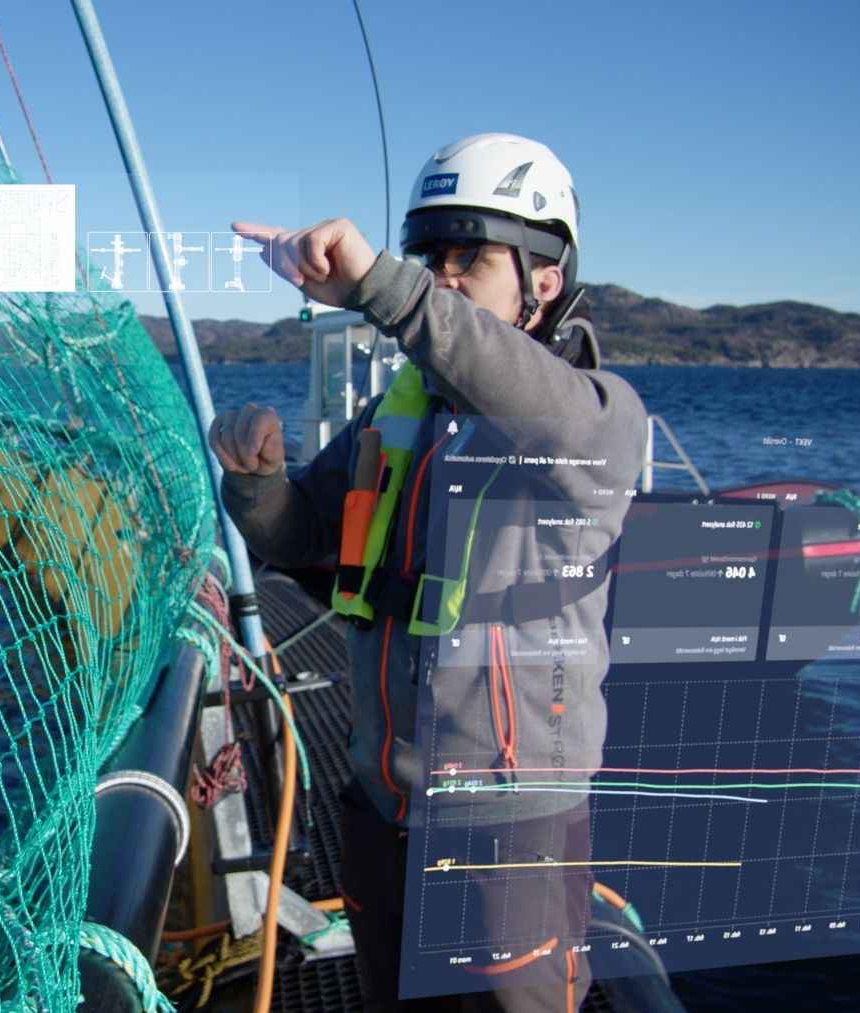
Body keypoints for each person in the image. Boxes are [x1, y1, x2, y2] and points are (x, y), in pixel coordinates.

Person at [212, 134, 647, 1011]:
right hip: (380, 812)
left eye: (468, 258)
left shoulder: (597, 419)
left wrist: (386, 286)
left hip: (508, 840)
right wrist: (257, 481)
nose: (442, 277)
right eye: (430, 258)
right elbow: (303, 534)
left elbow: (527, 398)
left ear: (544, 280)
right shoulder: (398, 412)